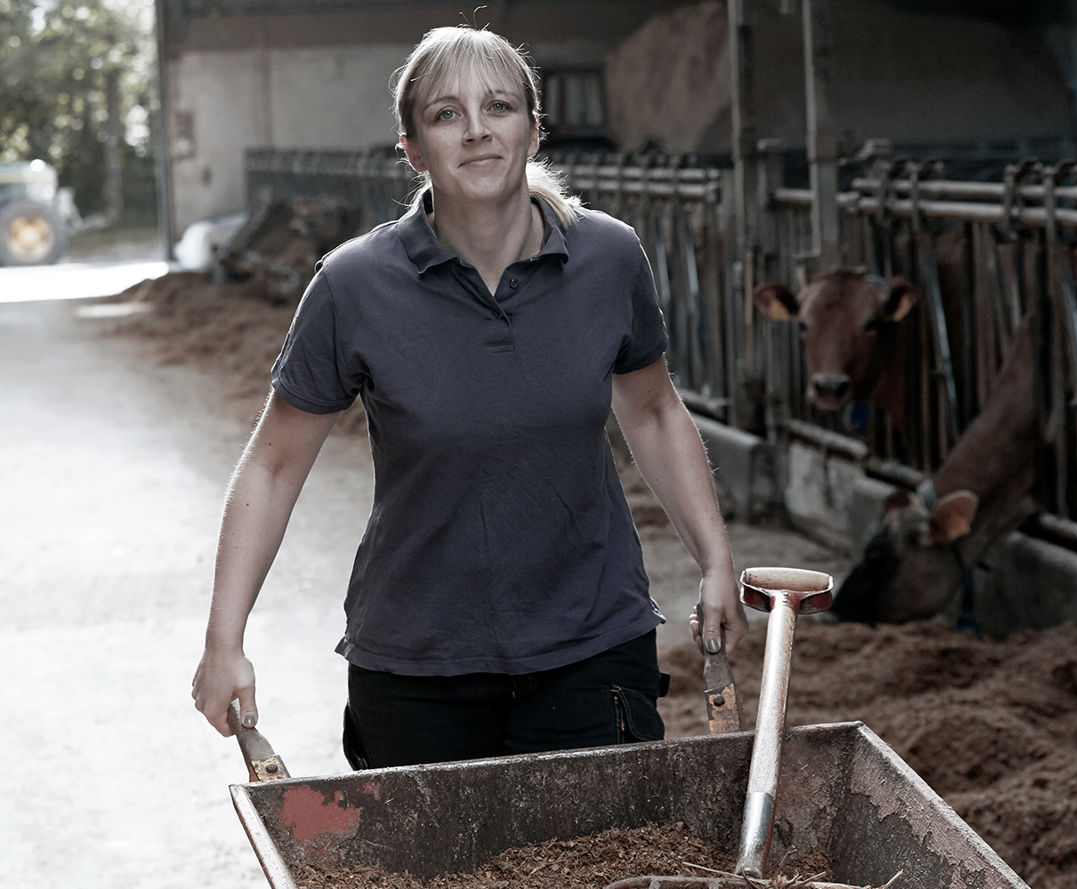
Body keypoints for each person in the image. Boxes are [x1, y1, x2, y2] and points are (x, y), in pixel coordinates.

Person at [191, 24, 747, 768]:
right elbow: (273, 466)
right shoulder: (354, 285)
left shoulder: (608, 257)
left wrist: (715, 559)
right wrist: (224, 641)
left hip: (590, 649)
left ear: (533, 130)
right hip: (418, 666)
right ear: (412, 148)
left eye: (499, 108)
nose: (478, 131)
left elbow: (650, 408)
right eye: (447, 114)